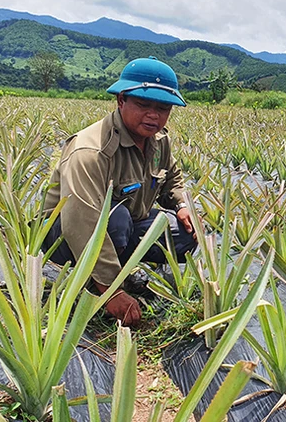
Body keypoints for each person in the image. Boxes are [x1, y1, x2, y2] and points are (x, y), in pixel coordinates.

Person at [42, 56, 197, 327]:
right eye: (143, 104)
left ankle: (118, 271)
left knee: (184, 235)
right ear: (121, 100)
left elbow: (172, 180)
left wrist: (182, 204)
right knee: (117, 220)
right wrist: (111, 292)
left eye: (163, 108)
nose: (153, 115)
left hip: (124, 226)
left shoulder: (158, 142)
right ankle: (96, 283)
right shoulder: (91, 151)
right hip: (67, 237)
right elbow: (80, 223)